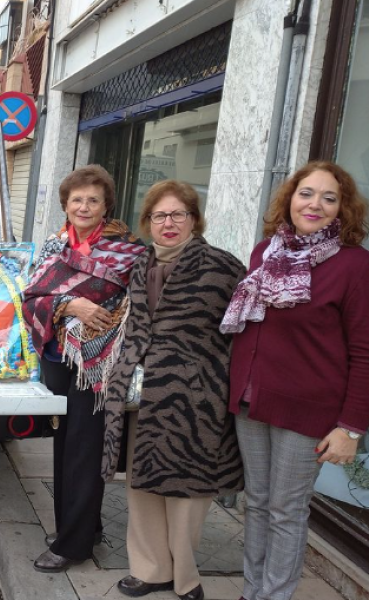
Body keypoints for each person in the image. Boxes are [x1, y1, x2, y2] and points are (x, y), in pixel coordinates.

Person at [220, 161, 369, 600]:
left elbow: (365, 351)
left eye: (329, 198)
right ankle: (253, 592)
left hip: (308, 411)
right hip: (252, 401)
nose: (315, 204)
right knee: (259, 504)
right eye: (307, 193)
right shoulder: (265, 252)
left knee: (287, 510)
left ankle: (275, 595)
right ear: (290, 198)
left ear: (343, 210)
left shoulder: (354, 265)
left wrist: (351, 428)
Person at [100, 181, 245, 600]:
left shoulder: (222, 267)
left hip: (194, 399)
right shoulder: (140, 264)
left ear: (194, 220)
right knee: (142, 485)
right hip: (141, 392)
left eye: (178, 215)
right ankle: (150, 570)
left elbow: (244, 332)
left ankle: (186, 577)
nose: (168, 223)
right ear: (148, 222)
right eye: (160, 216)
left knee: (187, 490)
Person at [22, 164, 146, 572]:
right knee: (65, 447)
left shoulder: (128, 250)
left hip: (100, 365)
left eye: (93, 199)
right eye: (77, 199)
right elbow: (29, 297)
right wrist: (66, 305)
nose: (85, 206)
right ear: (66, 204)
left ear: (106, 204)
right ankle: (81, 527)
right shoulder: (52, 247)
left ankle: (72, 546)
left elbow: (138, 303)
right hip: (59, 360)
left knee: (85, 451)